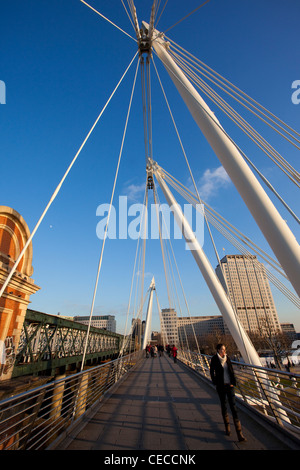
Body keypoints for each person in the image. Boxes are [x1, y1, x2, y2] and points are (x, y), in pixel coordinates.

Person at [210, 343, 246, 442]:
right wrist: (215, 382)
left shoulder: (227, 358)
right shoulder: (214, 359)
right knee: (224, 405)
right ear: (218, 350)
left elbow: (231, 371)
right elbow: (211, 371)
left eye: (224, 349)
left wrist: (233, 383)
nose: (224, 351)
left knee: (233, 407)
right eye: (222, 349)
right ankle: (227, 428)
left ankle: (239, 433)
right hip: (221, 386)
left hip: (229, 386)